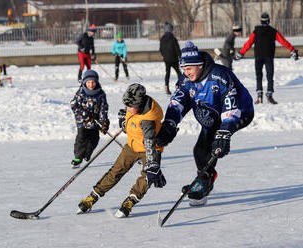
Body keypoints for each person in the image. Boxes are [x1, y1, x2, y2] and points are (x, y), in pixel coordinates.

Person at [156, 41, 254, 206]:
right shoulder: (186, 80)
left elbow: (232, 106)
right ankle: (205, 178)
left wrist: (224, 133)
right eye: (183, 69)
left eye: (189, 69)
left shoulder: (220, 76)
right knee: (200, 150)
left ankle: (204, 181)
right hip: (212, 117)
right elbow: (178, 102)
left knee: (213, 146)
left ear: (200, 65)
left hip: (240, 113)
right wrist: (170, 123)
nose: (186, 73)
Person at [77, 83, 166, 218]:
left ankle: (130, 201)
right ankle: (93, 197)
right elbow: (133, 122)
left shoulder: (148, 121)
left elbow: (149, 142)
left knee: (147, 176)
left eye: (130, 106)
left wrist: (152, 162)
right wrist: (125, 123)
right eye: (126, 105)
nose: (127, 108)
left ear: (140, 104)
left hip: (150, 149)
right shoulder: (134, 108)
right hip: (131, 146)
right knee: (116, 171)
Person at [237, 13, 299, 104]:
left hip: (258, 57)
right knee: (270, 76)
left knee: (259, 76)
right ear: (268, 21)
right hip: (269, 57)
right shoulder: (273, 31)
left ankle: (259, 96)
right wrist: (292, 50)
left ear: (261, 21)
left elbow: (248, 43)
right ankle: (269, 95)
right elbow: (283, 41)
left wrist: (241, 53)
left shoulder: (256, 31)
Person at [70, 69, 110, 168]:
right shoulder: (81, 92)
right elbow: (74, 105)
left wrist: (104, 121)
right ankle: (78, 157)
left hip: (95, 122)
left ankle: (87, 154)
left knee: (94, 139)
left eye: (93, 82)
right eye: (88, 82)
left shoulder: (101, 94)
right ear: (84, 82)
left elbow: (103, 108)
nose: (91, 84)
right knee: (81, 139)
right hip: (82, 122)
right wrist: (85, 115)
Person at [159, 22, 182, 95]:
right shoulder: (173, 38)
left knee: (167, 73)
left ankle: (166, 87)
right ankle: (181, 86)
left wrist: (164, 55)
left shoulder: (162, 38)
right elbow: (177, 48)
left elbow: (161, 49)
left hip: (166, 59)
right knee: (178, 72)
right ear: (171, 30)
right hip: (174, 59)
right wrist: (180, 56)